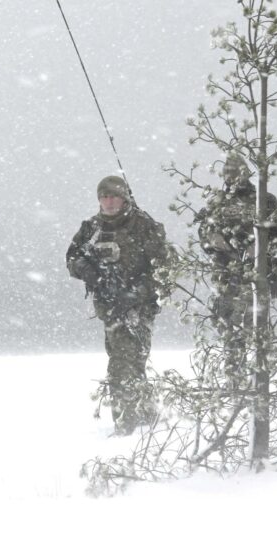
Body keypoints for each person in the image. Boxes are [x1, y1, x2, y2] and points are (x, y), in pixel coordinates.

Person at [66, 175, 169, 435]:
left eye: (113, 196)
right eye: (104, 197)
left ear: (124, 197)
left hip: (138, 307)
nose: (109, 202)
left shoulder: (144, 226)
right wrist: (88, 271)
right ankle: (146, 417)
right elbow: (72, 257)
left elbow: (164, 267)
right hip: (109, 307)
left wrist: (136, 293)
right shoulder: (91, 228)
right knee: (128, 362)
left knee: (124, 364)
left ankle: (126, 426)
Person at [196, 152, 277, 380]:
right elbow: (204, 235)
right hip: (226, 280)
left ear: (246, 172)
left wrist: (262, 247)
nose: (232, 177)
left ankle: (262, 387)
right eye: (227, 172)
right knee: (231, 337)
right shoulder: (216, 202)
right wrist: (213, 240)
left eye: (237, 171)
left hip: (258, 279)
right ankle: (236, 385)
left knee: (259, 336)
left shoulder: (264, 200)